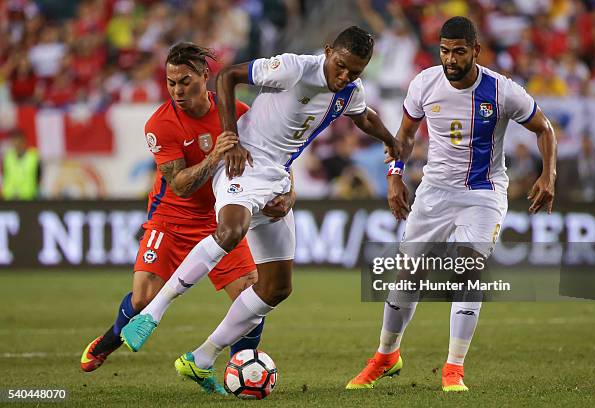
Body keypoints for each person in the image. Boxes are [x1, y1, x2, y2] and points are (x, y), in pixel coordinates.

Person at [121, 26, 399, 390]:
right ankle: (154, 313)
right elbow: (227, 76)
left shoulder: (349, 91)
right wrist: (230, 139)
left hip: (277, 178)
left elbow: (364, 116)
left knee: (276, 288)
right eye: (341, 66)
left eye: (355, 72)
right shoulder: (294, 68)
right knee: (231, 230)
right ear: (328, 51)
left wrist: (393, 141)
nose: (344, 76)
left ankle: (201, 358)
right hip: (243, 163)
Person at [346, 16, 556, 392]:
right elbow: (405, 135)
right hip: (434, 191)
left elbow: (544, 129)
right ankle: (386, 356)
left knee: (467, 269)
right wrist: (394, 174)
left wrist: (548, 174)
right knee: (408, 274)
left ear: (476, 50)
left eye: (459, 51)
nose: (451, 59)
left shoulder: (503, 90)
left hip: (483, 193)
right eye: (445, 51)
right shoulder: (425, 82)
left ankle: (453, 369)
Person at [80, 43, 295, 395]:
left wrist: (288, 196)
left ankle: (238, 369)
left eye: (185, 81)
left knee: (251, 291)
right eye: (171, 83)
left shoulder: (238, 113)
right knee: (143, 297)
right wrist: (216, 156)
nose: (178, 90)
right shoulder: (160, 124)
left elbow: (277, 159)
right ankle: (109, 340)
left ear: (205, 77)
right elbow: (179, 185)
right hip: (171, 218)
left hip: (223, 216)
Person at [1, 130, 41, 200]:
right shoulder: (8, 157)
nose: (17, 144)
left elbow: (39, 175)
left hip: (29, 197)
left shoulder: (33, 156)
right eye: (14, 141)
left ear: (24, 141)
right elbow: (4, 175)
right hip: (9, 197)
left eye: (19, 141)